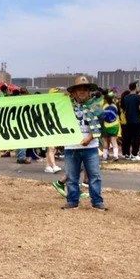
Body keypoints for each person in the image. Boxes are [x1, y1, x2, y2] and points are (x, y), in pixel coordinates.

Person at [60, 76, 107, 211]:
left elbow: (101, 126)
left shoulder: (96, 106)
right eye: (79, 89)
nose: (82, 92)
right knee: (71, 176)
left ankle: (97, 201)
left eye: (85, 89)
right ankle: (72, 201)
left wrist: (90, 138)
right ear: (73, 92)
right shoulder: (66, 105)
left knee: (94, 176)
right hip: (71, 146)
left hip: (91, 147)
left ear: (89, 92)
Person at [120, 81, 140, 160]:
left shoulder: (126, 97)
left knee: (128, 137)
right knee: (136, 137)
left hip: (127, 120)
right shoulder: (138, 97)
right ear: (136, 87)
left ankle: (127, 153)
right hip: (137, 120)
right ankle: (134, 154)